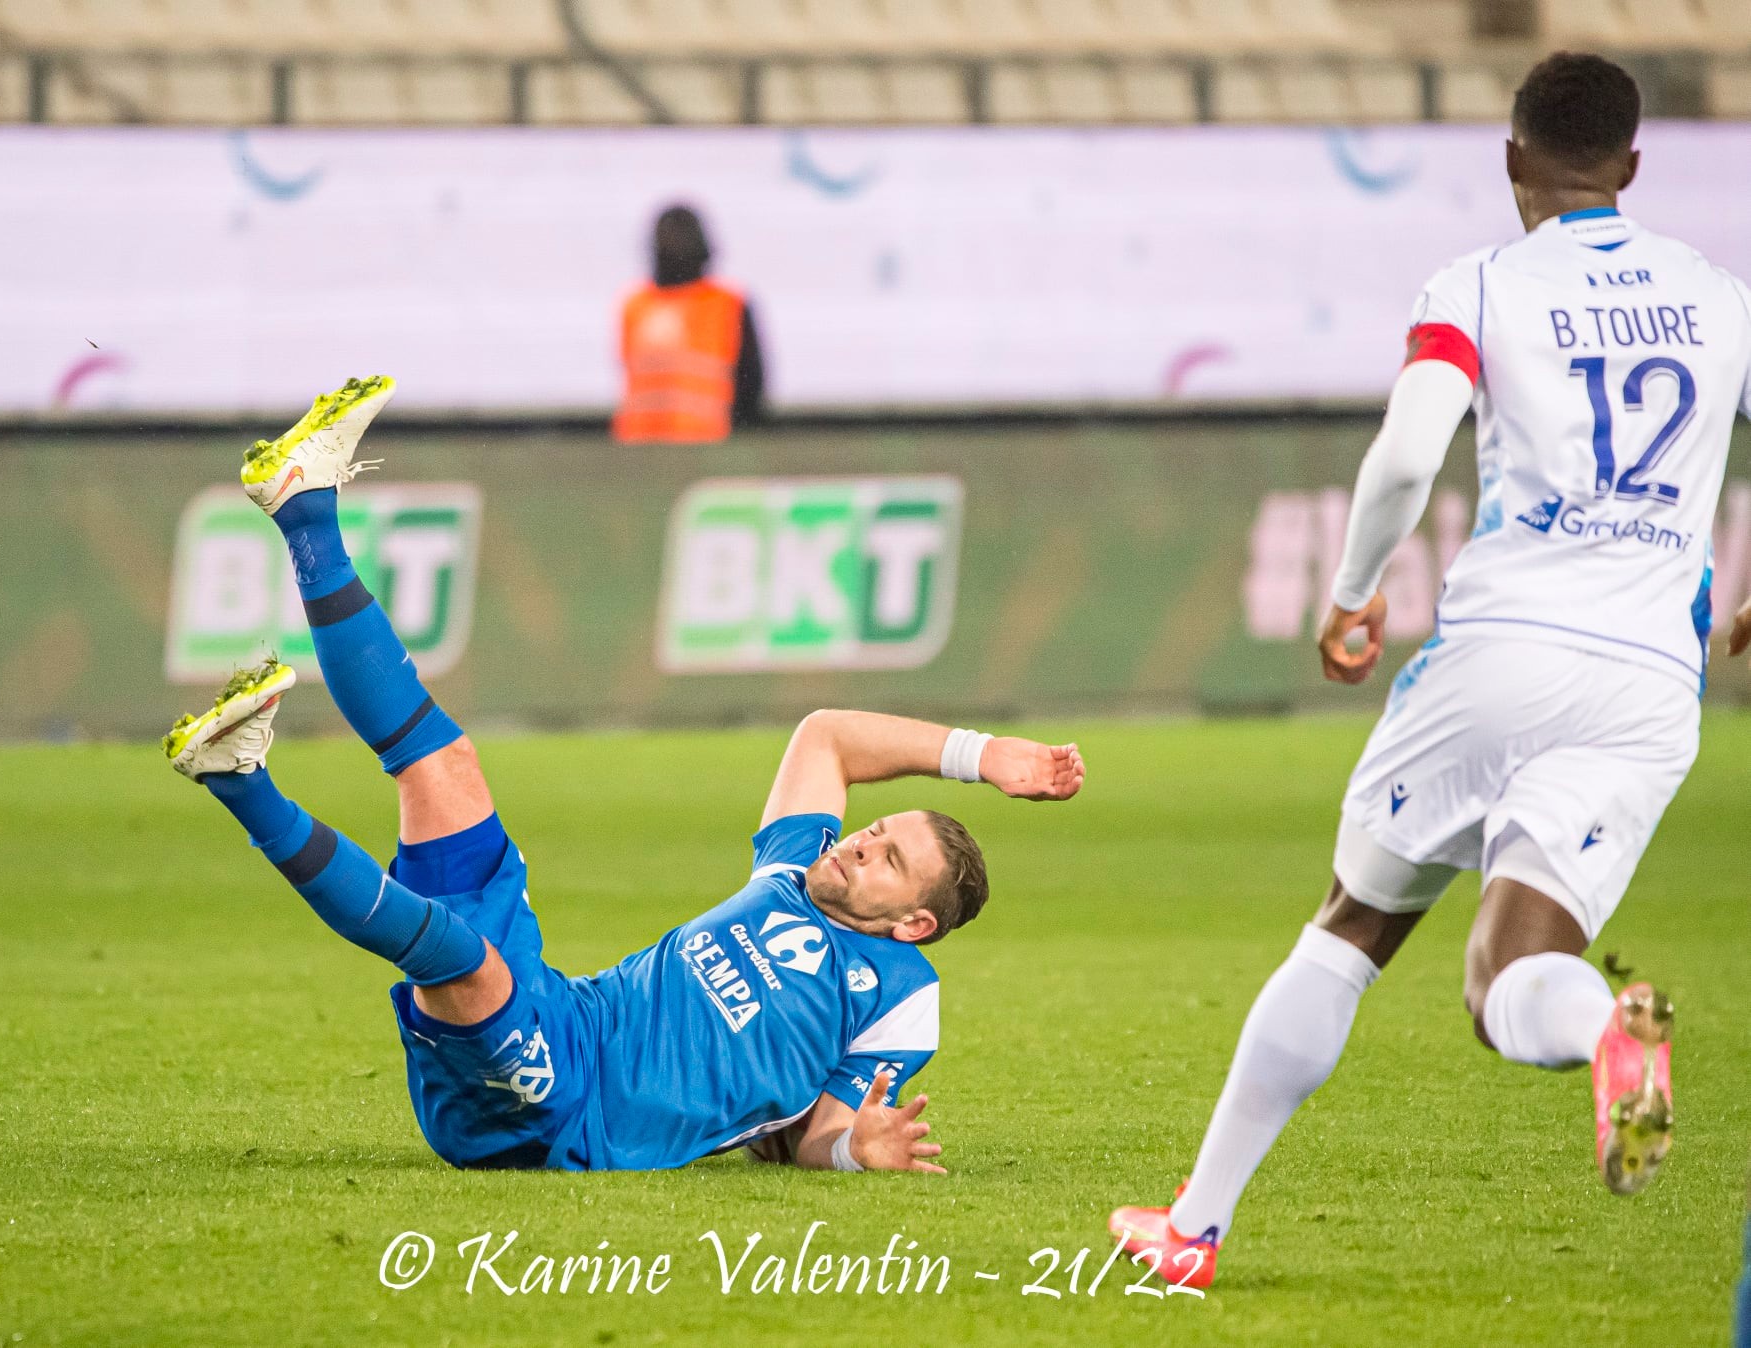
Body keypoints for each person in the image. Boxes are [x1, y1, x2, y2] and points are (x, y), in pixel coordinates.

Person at [1110, 52, 1751, 1289]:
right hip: (1645, 688)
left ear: (1512, 159)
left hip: (1501, 655)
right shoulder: (1720, 296)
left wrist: (1350, 595)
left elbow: (1409, 454)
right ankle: (1600, 1029)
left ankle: (1193, 1227)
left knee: (1352, 927)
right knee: (1508, 973)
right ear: (1630, 168)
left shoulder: (1481, 285)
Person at [163, 375, 1084, 1172]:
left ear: (914, 924)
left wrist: (855, 1149)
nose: (860, 842)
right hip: (569, 1013)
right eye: (877, 829)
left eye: (886, 859)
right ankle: (305, 509)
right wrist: (982, 756)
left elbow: (823, 1134)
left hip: (572, 1110)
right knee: (444, 768)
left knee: (467, 966)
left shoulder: (897, 994)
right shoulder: (793, 871)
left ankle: (240, 779)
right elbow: (828, 735)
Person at [612, 204, 765, 444]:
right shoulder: (635, 306)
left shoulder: (637, 306)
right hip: (647, 450)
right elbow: (752, 388)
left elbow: (750, 388)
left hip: (699, 449)